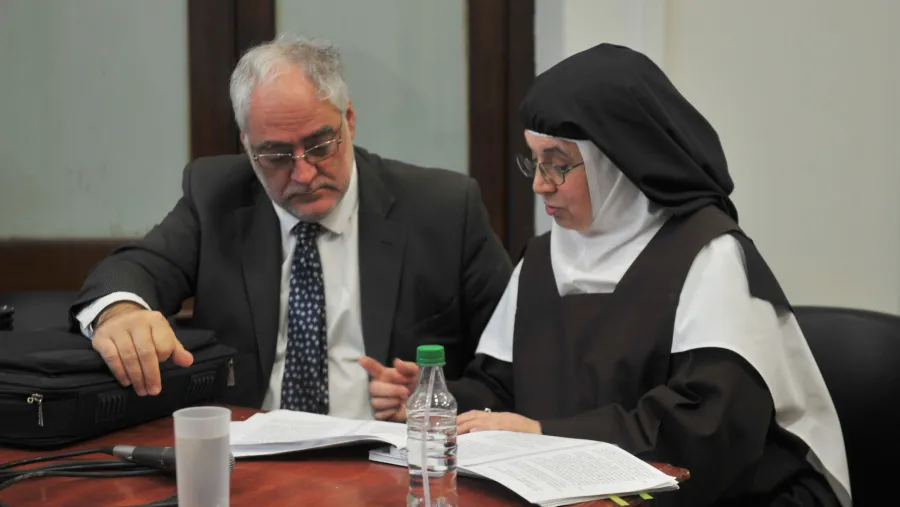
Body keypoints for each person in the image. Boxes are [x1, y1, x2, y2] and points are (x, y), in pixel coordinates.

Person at [360, 43, 851, 506]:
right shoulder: (542, 259)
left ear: (619, 163)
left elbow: (705, 433)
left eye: (557, 165)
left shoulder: (710, 255)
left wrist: (540, 434)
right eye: (534, 162)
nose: (539, 185)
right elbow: (500, 389)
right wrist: (436, 403)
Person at [69, 34, 513, 419]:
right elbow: (132, 270)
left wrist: (432, 398)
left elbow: (508, 370)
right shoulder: (216, 196)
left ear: (350, 122)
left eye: (320, 145)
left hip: (387, 458)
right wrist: (120, 312)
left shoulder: (443, 209)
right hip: (250, 461)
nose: (303, 174)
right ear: (246, 146)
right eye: (277, 156)